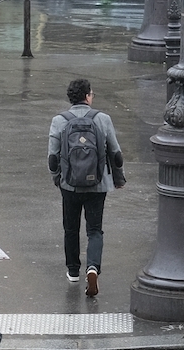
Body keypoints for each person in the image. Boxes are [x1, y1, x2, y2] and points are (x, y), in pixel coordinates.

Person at [47, 77, 126, 293]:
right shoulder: (103, 119)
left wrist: (57, 178)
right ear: (88, 96)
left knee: (70, 228)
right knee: (94, 229)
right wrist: (118, 179)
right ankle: (93, 267)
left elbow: (53, 157)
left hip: (69, 184)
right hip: (97, 184)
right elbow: (116, 154)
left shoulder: (59, 121)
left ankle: (73, 271)